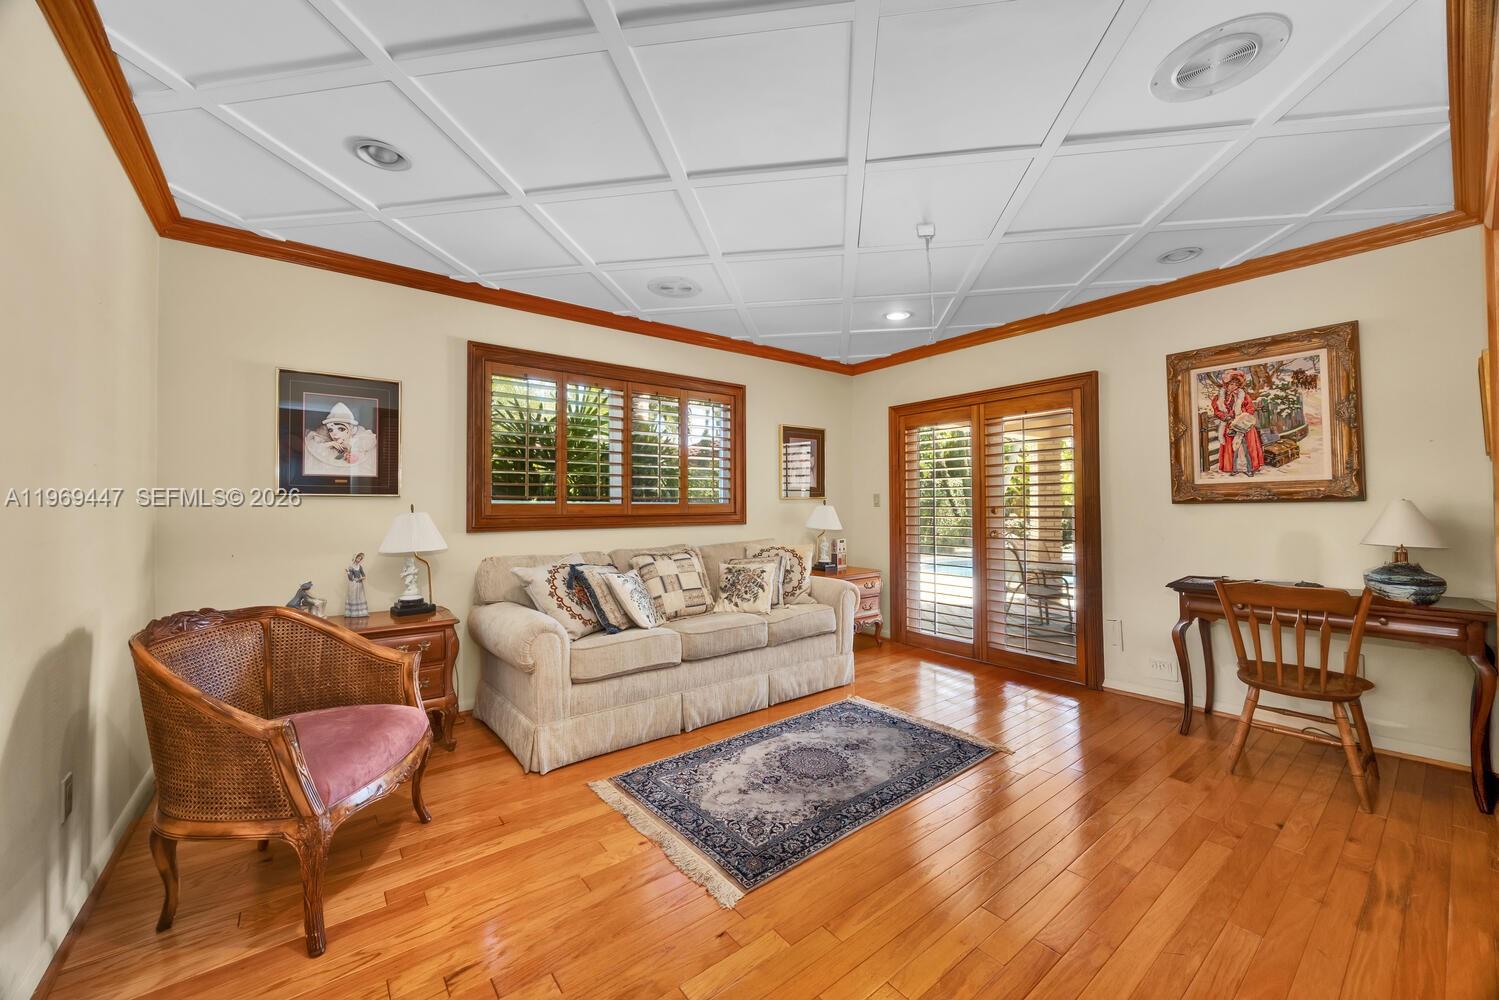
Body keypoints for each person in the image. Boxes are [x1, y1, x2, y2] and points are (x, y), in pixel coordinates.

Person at [1209, 369, 1264, 476]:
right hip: (1229, 425)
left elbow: (1251, 408)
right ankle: (1234, 468)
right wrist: (1226, 418)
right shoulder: (1220, 397)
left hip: (1243, 425)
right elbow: (1217, 411)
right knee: (1232, 447)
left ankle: (1249, 468)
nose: (1233, 386)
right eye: (1231, 384)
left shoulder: (1244, 396)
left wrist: (1243, 418)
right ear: (1227, 384)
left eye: (1236, 384)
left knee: (1246, 446)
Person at [303, 401, 378, 477]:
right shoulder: (326, 444)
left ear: (352, 429)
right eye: (330, 430)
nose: (334, 434)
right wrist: (330, 443)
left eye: (341, 429)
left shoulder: (363, 442)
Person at [345, 552, 368, 618]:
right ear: (355, 558)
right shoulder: (351, 567)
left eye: (360, 559)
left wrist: (360, 578)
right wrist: (348, 572)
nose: (359, 560)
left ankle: (360, 612)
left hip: (359, 584)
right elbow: (350, 578)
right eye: (358, 558)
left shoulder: (360, 567)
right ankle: (353, 612)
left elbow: (364, 576)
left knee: (360, 597)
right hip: (353, 584)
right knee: (353, 596)